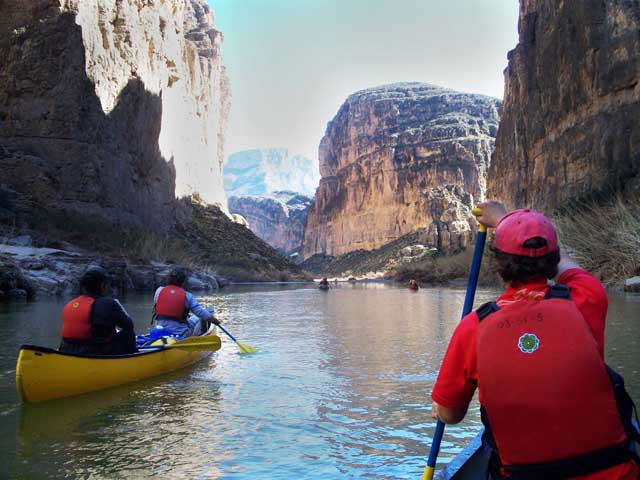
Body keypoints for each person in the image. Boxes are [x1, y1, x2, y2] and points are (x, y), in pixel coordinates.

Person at [431, 200, 639, 479]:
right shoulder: (587, 297)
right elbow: (565, 265)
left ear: (498, 265)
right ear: (552, 260)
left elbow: (450, 413)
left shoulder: (473, 328)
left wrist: (439, 411)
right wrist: (507, 220)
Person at [60, 267, 137, 355]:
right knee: (128, 332)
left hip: (68, 350)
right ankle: (133, 357)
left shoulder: (70, 304)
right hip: (95, 351)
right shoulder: (108, 302)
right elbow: (128, 325)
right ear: (102, 286)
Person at [153, 268, 220, 338]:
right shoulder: (188, 296)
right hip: (181, 334)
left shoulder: (159, 291)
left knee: (193, 319)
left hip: (160, 330)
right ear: (183, 281)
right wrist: (214, 320)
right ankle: (201, 336)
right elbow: (200, 313)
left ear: (169, 279)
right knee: (203, 316)